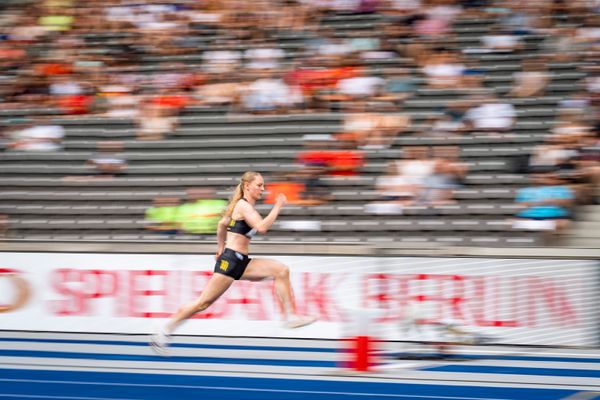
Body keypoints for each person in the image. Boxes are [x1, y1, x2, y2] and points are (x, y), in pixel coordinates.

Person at [150, 171, 317, 355]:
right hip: (230, 262)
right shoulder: (244, 206)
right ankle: (164, 330)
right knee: (203, 303)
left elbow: (222, 224)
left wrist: (219, 247)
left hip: (242, 261)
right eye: (259, 185)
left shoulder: (243, 206)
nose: (263, 188)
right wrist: (277, 206)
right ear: (247, 186)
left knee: (281, 270)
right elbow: (261, 228)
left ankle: (290, 317)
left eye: (263, 185)